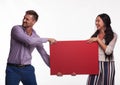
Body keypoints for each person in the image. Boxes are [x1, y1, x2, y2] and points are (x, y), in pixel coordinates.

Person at [5, 10, 56, 85]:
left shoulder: (36, 37)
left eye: (27, 19)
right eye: (24, 18)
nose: (24, 20)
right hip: (13, 69)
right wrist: (47, 39)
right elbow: (29, 40)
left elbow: (44, 54)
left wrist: (56, 68)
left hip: (27, 70)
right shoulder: (16, 29)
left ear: (34, 22)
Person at [87, 13, 117, 85]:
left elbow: (108, 51)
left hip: (108, 64)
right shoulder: (93, 36)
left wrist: (98, 40)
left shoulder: (113, 35)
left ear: (105, 22)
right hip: (95, 64)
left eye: (98, 21)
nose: (96, 23)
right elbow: (86, 52)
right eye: (95, 21)